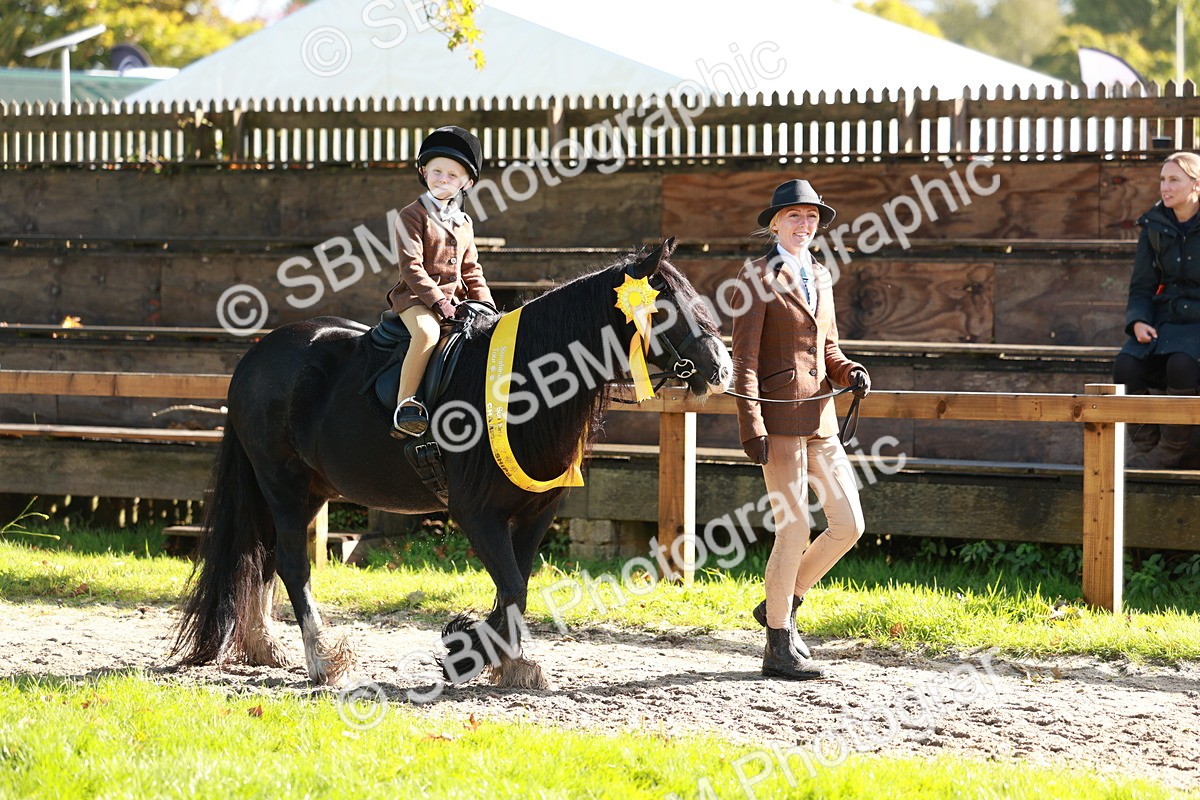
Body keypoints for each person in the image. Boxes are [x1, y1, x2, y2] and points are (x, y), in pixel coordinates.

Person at [731, 179, 870, 681]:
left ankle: (782, 602)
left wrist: (849, 370)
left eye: (811, 217)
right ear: (774, 223)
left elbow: (828, 349)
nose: (804, 224)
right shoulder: (755, 277)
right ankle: (776, 645)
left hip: (821, 420)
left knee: (849, 524)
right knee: (793, 528)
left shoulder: (819, 274)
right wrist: (751, 424)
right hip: (779, 421)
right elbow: (742, 359)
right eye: (794, 216)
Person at [387, 126, 494, 438]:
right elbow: (411, 267)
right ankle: (405, 406)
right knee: (427, 333)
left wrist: (487, 306)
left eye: (452, 175)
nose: (443, 180)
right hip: (416, 301)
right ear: (423, 171)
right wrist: (439, 302)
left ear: (467, 183)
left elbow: (473, 270)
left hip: (457, 304)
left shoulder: (464, 223)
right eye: (437, 172)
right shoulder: (411, 215)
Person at [1113, 151, 1200, 469]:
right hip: (1165, 319)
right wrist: (1137, 321)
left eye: (1174, 179)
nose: (1165, 186)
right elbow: (1141, 287)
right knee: (1125, 366)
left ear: (1196, 185)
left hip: (1198, 323)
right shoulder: (1153, 225)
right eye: (1163, 179)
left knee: (1182, 365)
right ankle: (1145, 441)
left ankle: (1173, 448)